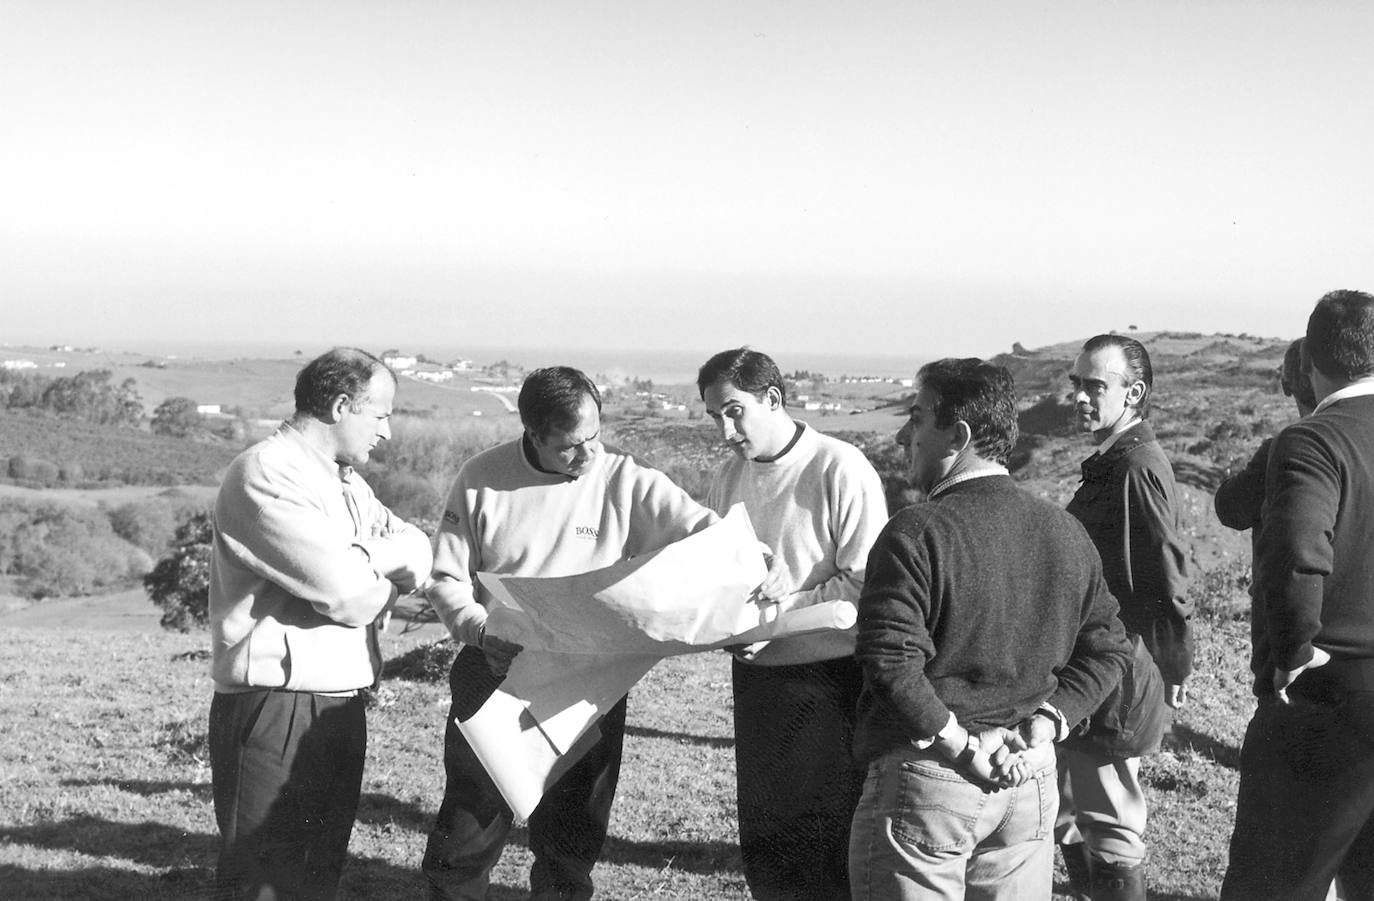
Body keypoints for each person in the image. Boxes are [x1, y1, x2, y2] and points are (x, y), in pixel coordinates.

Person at [422, 365, 717, 901]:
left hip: (590, 688)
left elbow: (707, 535)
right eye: (569, 447)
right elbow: (445, 578)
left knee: (572, 836)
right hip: (494, 673)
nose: (587, 457)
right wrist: (480, 630)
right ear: (532, 433)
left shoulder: (625, 481)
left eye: (594, 438)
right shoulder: (480, 478)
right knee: (469, 826)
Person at [849, 357, 1132, 900]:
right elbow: (1107, 649)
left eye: (917, 417)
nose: (906, 434)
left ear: (959, 434)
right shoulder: (1065, 531)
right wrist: (1048, 723)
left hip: (930, 783)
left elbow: (889, 660)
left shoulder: (915, 532)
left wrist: (958, 744)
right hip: (1027, 786)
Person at [208, 347, 433, 900]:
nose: (387, 433)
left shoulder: (346, 482)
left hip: (338, 703)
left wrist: (361, 557)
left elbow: (420, 549)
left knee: (317, 874)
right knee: (263, 881)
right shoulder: (267, 474)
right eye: (380, 415)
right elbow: (351, 597)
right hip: (275, 705)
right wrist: (383, 567)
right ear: (340, 406)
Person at [696, 348, 887, 900]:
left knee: (827, 840)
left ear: (773, 398)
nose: (725, 430)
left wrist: (778, 612)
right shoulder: (727, 476)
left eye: (733, 412)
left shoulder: (840, 466)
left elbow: (864, 585)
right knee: (767, 833)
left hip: (829, 676)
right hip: (756, 674)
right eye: (714, 417)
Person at [1221, 290, 1374, 900]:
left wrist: (1291, 651)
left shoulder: (1314, 440)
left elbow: (1298, 554)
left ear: (1310, 361)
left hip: (1332, 694)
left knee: (1273, 883)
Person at [1058, 334, 1191, 899]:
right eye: (1077, 385)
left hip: (1120, 668)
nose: (1081, 398)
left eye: (1095, 386)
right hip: (1094, 664)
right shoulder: (1115, 462)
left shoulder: (1134, 468)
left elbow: (1165, 581)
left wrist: (1172, 670)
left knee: (1108, 812)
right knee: (1072, 803)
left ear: (1133, 393)